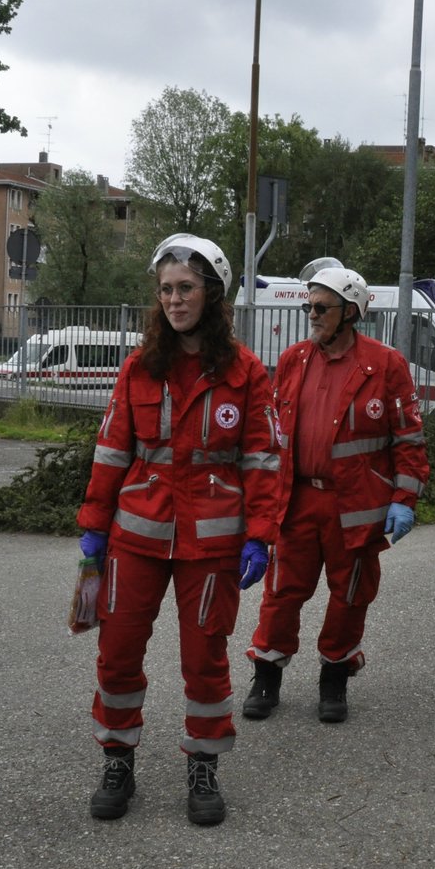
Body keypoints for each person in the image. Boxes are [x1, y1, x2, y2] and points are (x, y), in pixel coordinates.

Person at [76, 234, 281, 827]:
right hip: (135, 538)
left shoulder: (246, 374)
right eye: (165, 289)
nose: (173, 299)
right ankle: (118, 760)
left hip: (212, 544)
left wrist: (259, 535)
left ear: (212, 294)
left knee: (205, 660)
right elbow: (112, 451)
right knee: (116, 654)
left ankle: (204, 766)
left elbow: (264, 460)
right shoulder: (140, 368)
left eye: (185, 288)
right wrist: (94, 528)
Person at [242, 264, 428, 724]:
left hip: (357, 503)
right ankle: (267, 674)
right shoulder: (292, 360)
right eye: (309, 305)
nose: (311, 313)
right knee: (282, 593)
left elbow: (409, 440)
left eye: (320, 307)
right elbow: (269, 438)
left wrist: (404, 500)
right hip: (298, 499)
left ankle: (334, 678)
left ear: (350, 311)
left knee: (350, 595)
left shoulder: (386, 365)